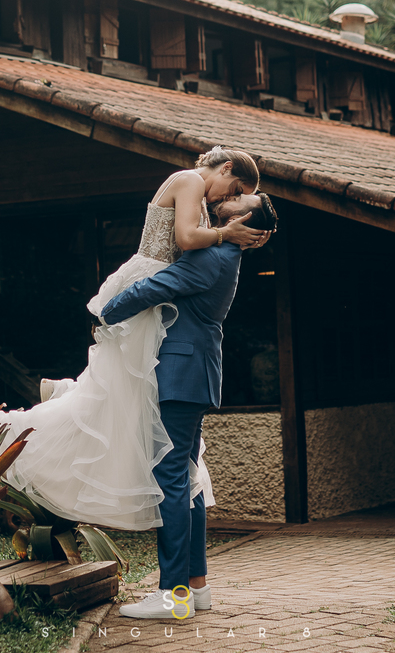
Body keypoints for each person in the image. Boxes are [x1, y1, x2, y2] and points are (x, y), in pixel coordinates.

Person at [0, 147, 268, 532]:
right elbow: (187, 239)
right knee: (116, 399)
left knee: (119, 398)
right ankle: (31, 436)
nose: (226, 197)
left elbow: (200, 252)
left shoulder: (203, 202)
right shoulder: (189, 179)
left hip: (157, 296)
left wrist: (234, 237)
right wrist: (227, 232)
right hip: (148, 285)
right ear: (224, 167)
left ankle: (181, 585)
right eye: (234, 188)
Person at [103, 191, 278, 620]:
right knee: (188, 478)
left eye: (241, 201)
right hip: (194, 373)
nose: (229, 201)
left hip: (180, 377)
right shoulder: (222, 255)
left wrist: (106, 311)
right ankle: (195, 588)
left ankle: (172, 595)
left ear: (245, 222)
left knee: (171, 480)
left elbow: (154, 288)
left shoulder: (211, 257)